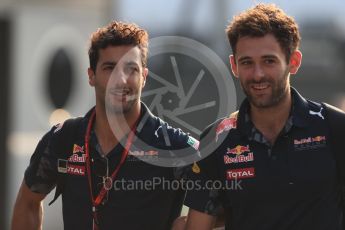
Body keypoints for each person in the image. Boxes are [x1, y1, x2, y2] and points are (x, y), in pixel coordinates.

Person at [11, 21, 198, 230]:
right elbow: (28, 201)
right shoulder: (64, 137)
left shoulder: (172, 144)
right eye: (110, 68)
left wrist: (189, 224)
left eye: (131, 69)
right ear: (91, 76)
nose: (121, 80)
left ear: (144, 77)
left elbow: (232, 198)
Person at [177, 3, 345, 230]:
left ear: (293, 62)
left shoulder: (335, 127)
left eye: (269, 61)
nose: (258, 74)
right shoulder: (216, 140)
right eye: (247, 62)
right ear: (234, 66)